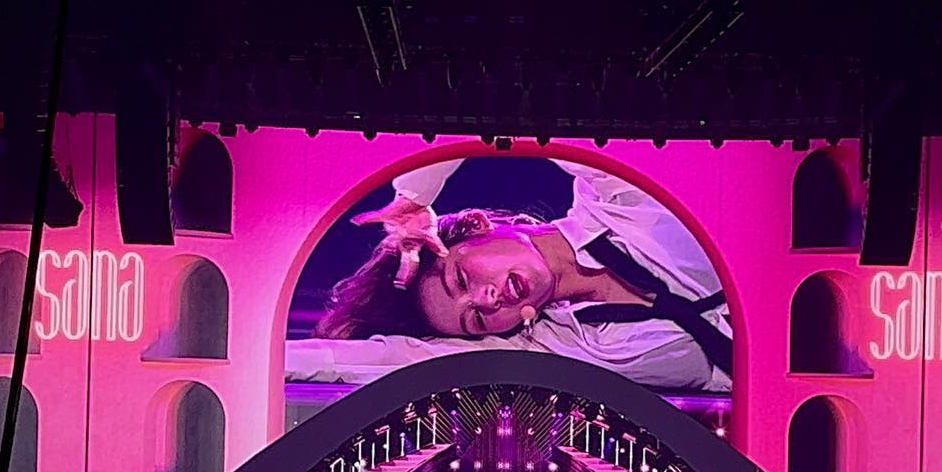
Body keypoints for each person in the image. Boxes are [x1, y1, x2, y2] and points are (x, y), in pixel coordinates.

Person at [286, 158, 732, 392]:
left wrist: (416, 193)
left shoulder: (619, 196)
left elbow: (511, 94)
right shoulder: (553, 346)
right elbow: (381, 361)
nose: (484, 300)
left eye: (461, 279)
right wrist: (258, 361)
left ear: (477, 227)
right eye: (475, 319)